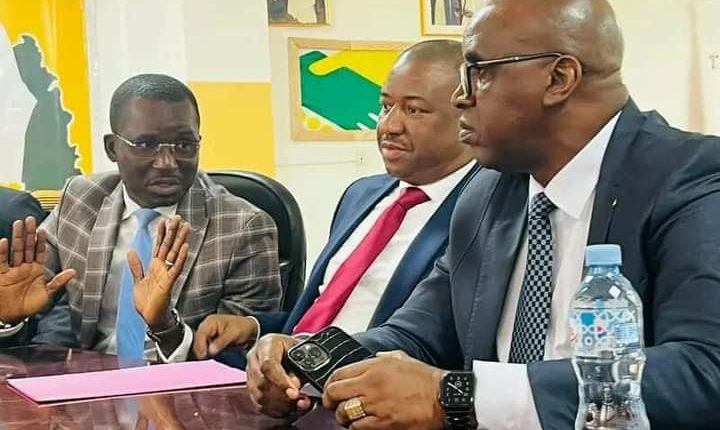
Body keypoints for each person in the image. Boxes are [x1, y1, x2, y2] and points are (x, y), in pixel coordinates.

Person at [245, 0, 720, 429]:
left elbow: (705, 370)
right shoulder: (489, 192)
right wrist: (307, 357)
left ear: (559, 79)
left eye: (478, 71)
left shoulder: (691, 178)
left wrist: (458, 396)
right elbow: (421, 332)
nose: (460, 96)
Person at [191, 40, 478, 361]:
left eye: (414, 110)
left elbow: (434, 342)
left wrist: (306, 355)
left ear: (467, 116)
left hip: (366, 380)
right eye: (386, 107)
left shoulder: (484, 214)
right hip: (287, 373)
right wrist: (254, 327)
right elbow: (321, 315)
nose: (389, 126)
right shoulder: (361, 195)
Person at [0, 74, 282, 362]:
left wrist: (166, 327)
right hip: (86, 379)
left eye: (184, 145)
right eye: (146, 144)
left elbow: (244, 359)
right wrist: (9, 319)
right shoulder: (82, 199)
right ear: (112, 148)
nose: (166, 163)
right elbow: (28, 293)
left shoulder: (244, 228)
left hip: (182, 386)